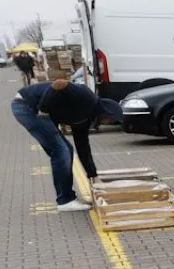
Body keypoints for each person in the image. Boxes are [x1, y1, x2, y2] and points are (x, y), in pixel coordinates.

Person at [11, 73, 122, 211]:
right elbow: (59, 83)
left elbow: (83, 147)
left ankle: (66, 197)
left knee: (66, 150)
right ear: (106, 113)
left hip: (31, 108)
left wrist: (93, 176)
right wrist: (44, 109)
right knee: (61, 151)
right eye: (111, 120)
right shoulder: (86, 97)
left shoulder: (85, 119)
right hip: (27, 105)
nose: (110, 123)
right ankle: (65, 201)